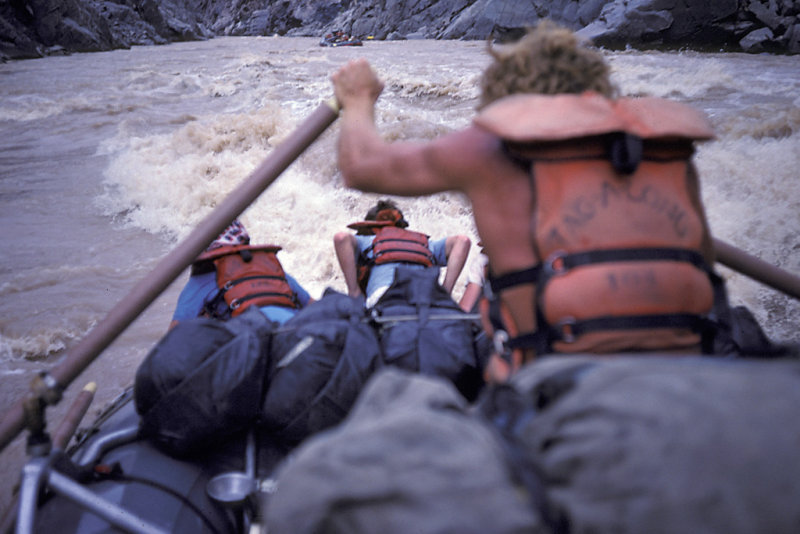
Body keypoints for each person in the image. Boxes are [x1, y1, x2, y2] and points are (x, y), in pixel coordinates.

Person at [331, 22, 729, 380]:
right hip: (691, 368)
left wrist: (359, 97)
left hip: (560, 381)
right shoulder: (663, 152)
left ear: (505, 98)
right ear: (595, 88)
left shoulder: (488, 150)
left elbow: (361, 166)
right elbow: (705, 266)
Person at [170, 219, 312, 329]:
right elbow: (314, 306)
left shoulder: (201, 280)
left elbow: (173, 337)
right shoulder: (271, 270)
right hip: (297, 332)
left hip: (252, 344)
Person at [334, 199, 471, 308]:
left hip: (385, 296)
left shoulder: (368, 241)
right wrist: (445, 293)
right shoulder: (425, 244)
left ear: (370, 227)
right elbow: (463, 241)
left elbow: (341, 238)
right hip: (425, 299)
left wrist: (353, 291)